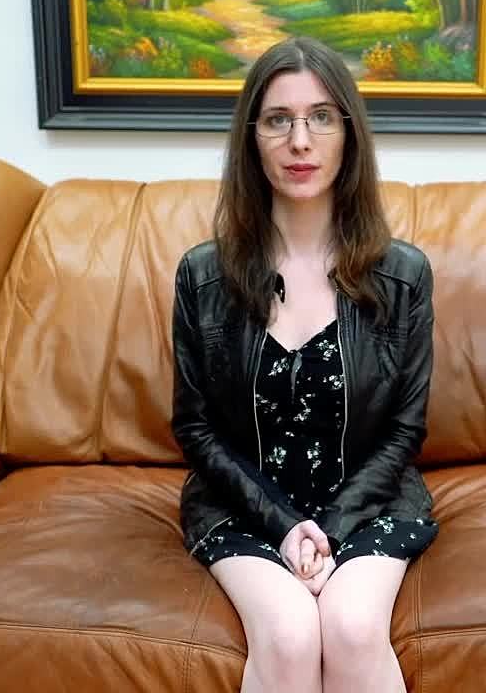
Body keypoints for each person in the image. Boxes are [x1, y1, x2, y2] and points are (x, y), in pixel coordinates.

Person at [171, 35, 438, 693]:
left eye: (321, 117)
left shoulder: (403, 275)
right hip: (243, 505)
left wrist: (331, 528)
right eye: (278, 120)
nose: (300, 141)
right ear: (251, 139)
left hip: (368, 501)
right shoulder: (203, 276)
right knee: (290, 635)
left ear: (348, 135)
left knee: (351, 626)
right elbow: (195, 428)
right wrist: (285, 527)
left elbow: (405, 429)